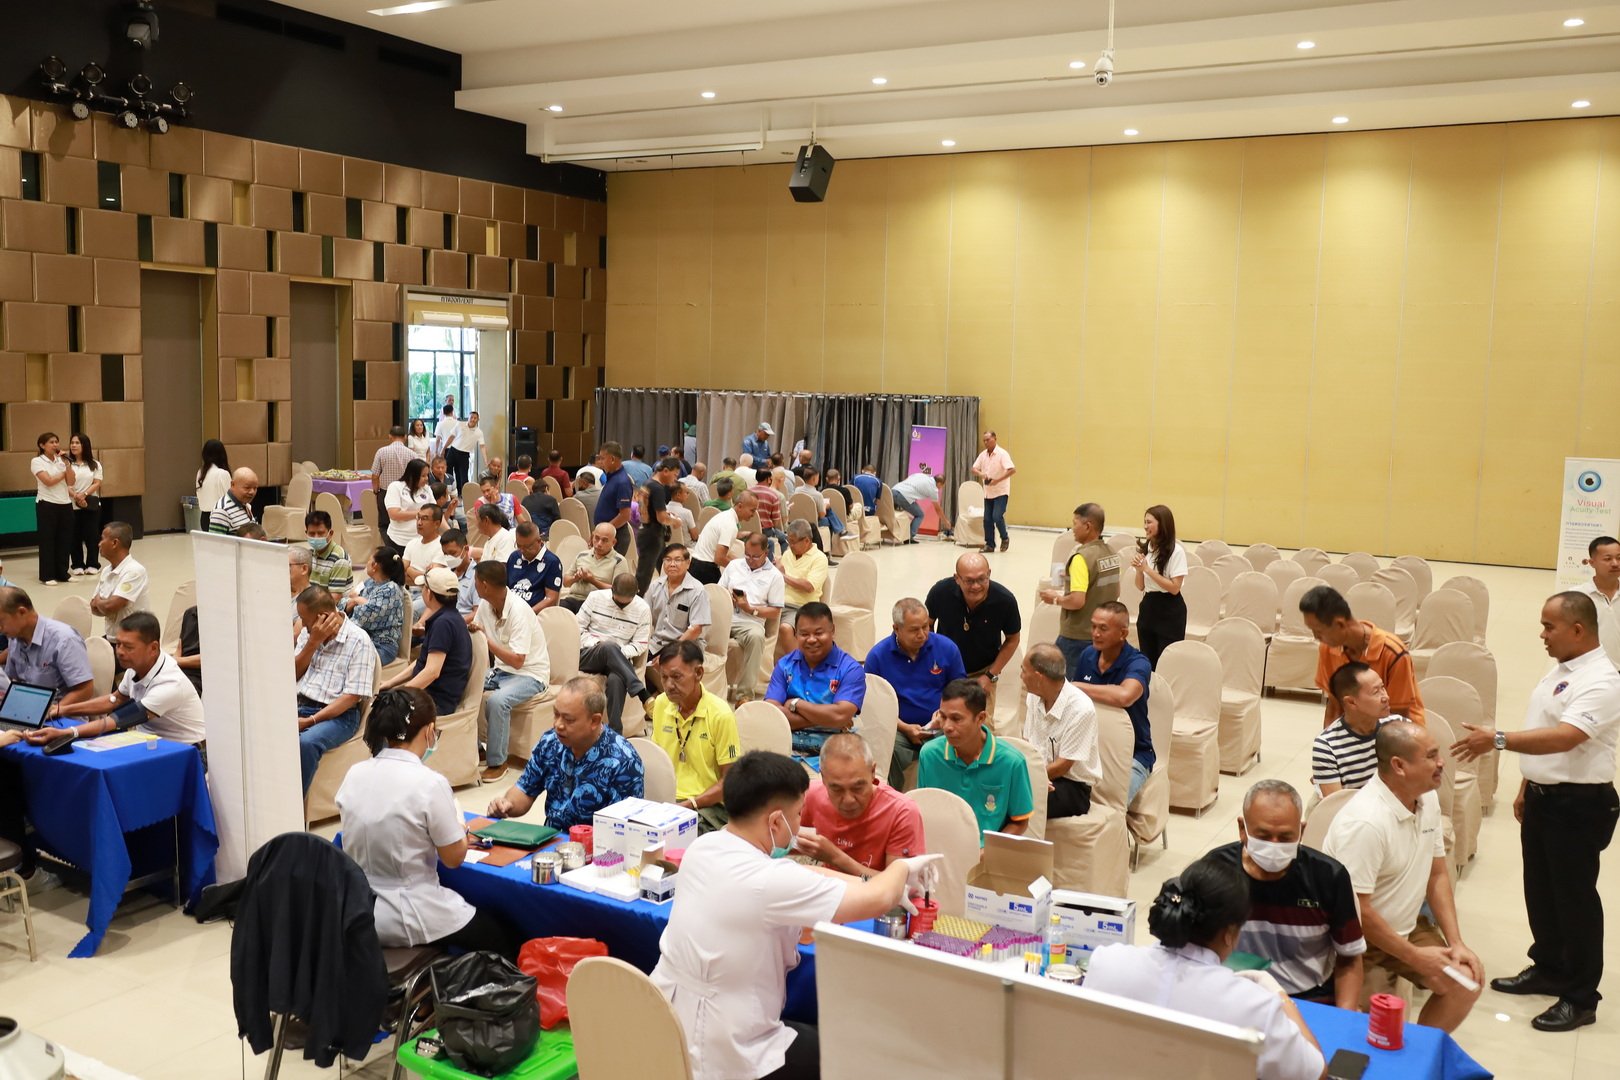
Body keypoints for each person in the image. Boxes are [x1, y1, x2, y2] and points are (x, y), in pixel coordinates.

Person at [651, 749, 938, 1080]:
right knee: (849, 1055)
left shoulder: (704, 847)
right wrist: (902, 869)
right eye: (799, 814)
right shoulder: (771, 881)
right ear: (776, 821)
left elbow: (807, 877)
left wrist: (868, 880)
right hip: (725, 1050)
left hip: (665, 1023)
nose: (801, 825)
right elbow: (878, 899)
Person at [1451, 591, 1620, 1032]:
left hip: (1578, 804)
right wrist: (1528, 784)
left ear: (1577, 630)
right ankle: (1549, 967)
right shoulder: (1562, 668)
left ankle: (1580, 997)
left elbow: (1566, 737)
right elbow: (1543, 727)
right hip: (1547, 797)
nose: (1542, 635)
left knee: (1575, 901)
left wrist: (1497, 739)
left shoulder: (1603, 680)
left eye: (1549, 626)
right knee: (1541, 892)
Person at [1085, 858, 1327, 1080]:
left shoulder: (1107, 962)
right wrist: (1281, 997)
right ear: (1230, 934)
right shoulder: (1256, 1007)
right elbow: (1314, 1073)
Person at [1322, 721, 1483, 1032]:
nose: (1442, 763)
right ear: (1399, 766)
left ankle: (1420, 1051)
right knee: (1378, 1032)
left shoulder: (1427, 797)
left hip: (1407, 926)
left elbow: (1437, 874)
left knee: (1467, 982)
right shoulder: (1366, 823)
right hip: (1360, 943)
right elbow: (1359, 911)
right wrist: (1415, 957)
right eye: (1431, 756)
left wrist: (1456, 942)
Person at [337, 687, 517, 955]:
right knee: (502, 937)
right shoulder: (429, 783)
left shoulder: (355, 773)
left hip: (360, 910)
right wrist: (460, 828)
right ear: (430, 730)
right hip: (409, 910)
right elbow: (453, 859)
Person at [1206, 780, 1366, 1009]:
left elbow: (1349, 959)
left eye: (1285, 838)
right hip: (1234, 996)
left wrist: (1342, 1019)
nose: (1274, 845)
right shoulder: (1214, 871)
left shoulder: (1329, 878)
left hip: (1309, 999)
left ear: (1302, 831)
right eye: (1263, 836)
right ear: (1242, 829)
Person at [26, 612, 206, 748]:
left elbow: (117, 720)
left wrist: (66, 733)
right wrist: (60, 709)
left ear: (153, 648)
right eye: (118, 644)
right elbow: (115, 699)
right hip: (150, 741)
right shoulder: (136, 666)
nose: (119, 652)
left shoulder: (170, 684)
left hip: (186, 749)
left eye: (128, 647)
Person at [486, 676, 644, 828]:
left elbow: (622, 831)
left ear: (594, 721)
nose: (558, 725)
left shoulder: (623, 762)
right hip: (551, 840)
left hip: (595, 843)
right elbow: (525, 790)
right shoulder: (550, 742)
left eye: (568, 720)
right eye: (556, 714)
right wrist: (506, 804)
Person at [863, 598, 965, 788]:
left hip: (940, 724)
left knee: (961, 736)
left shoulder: (946, 648)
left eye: (925, 627)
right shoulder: (877, 656)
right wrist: (905, 728)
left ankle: (949, 795)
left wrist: (943, 715)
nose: (922, 634)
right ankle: (893, 795)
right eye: (914, 630)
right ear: (896, 629)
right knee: (880, 744)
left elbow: (960, 691)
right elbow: (873, 708)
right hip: (898, 729)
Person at [917, 678, 1032, 839]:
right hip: (939, 847)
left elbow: (1020, 821)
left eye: (956, 719)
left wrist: (989, 849)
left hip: (986, 851)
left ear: (980, 718)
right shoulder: (929, 755)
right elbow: (922, 811)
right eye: (942, 717)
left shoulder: (1012, 762)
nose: (947, 727)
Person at [292, 585, 379, 793]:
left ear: (322, 617)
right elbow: (292, 675)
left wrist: (311, 721)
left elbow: (351, 697)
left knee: (306, 743)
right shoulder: (308, 635)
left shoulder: (359, 640)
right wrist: (313, 643)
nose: (302, 625)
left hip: (339, 716)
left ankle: (293, 804)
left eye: (304, 620)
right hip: (300, 704)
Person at [798, 733, 926, 872]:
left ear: (872, 772)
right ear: (823, 777)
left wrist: (836, 858)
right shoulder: (811, 796)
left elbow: (898, 884)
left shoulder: (901, 812)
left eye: (857, 788)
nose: (848, 800)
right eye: (837, 789)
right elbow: (785, 846)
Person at [1301, 584, 1425, 727]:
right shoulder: (1327, 649)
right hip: (1357, 728)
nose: (1315, 637)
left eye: (1318, 631)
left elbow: (1398, 716)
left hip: (1399, 731)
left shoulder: (1394, 653)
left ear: (1339, 624)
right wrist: (1327, 739)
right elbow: (1334, 705)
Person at [650, 639, 740, 833]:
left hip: (707, 806)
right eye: (664, 677)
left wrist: (690, 804)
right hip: (667, 802)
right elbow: (657, 762)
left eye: (676, 677)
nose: (669, 685)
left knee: (677, 836)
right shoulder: (661, 704)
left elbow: (731, 781)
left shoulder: (721, 714)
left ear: (698, 673)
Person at [471, 560, 549, 781]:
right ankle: (477, 749)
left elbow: (517, 661)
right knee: (463, 686)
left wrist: (485, 639)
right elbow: (477, 636)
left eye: (476, 581)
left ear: (484, 585)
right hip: (501, 670)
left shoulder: (519, 610)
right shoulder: (485, 605)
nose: (474, 585)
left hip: (530, 675)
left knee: (498, 701)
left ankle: (498, 762)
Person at [1074, 602, 1156, 806]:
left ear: (1123, 633)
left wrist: (1076, 686)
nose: (1095, 633)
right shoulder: (1087, 655)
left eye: (1103, 628)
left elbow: (1125, 696)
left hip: (1134, 755)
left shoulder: (1138, 662)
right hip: (1090, 749)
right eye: (1093, 626)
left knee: (1111, 808)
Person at [765, 602, 865, 760]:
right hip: (785, 751)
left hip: (833, 755)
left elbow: (840, 716)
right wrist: (828, 720)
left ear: (833, 631)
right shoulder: (785, 665)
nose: (811, 640)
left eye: (819, 633)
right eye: (804, 634)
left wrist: (796, 704)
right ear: (796, 635)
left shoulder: (850, 669)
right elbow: (772, 715)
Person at [925, 552, 1021, 715]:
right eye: (969, 581)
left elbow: (1013, 639)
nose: (976, 586)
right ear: (957, 578)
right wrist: (933, 656)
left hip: (982, 672)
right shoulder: (940, 592)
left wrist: (990, 675)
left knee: (982, 725)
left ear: (989, 574)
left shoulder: (1005, 601)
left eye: (982, 579)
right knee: (939, 719)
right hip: (945, 668)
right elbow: (927, 624)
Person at [1020, 642, 1100, 819]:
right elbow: (1027, 744)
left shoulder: (1081, 709)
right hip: (1039, 773)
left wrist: (1034, 778)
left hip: (1072, 787)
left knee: (1022, 800)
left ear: (1039, 677)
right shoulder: (1033, 696)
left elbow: (1064, 765)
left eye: (1024, 671)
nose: (1021, 676)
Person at [1040, 503, 1120, 678]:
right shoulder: (1111, 553)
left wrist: (1054, 599)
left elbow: (1077, 601)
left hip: (1078, 636)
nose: (1072, 529)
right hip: (1104, 634)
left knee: (1066, 685)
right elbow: (1114, 590)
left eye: (1075, 523)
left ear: (1087, 526)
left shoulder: (1081, 558)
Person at [382, 567, 473, 722]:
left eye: (424, 587)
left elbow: (432, 672)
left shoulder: (444, 624)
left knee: (383, 713)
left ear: (429, 594)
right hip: (427, 694)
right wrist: (390, 684)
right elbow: (422, 662)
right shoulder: (448, 617)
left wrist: (400, 695)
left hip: (435, 702)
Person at [576, 572, 653, 732]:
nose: (621, 607)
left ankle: (615, 730)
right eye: (618, 602)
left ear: (636, 593)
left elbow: (640, 644)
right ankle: (641, 692)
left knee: (617, 678)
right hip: (590, 654)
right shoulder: (595, 598)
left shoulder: (643, 609)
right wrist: (597, 644)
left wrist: (618, 652)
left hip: (618, 657)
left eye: (626, 603)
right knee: (608, 647)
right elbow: (577, 628)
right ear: (611, 590)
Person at [1313, 662, 1401, 795]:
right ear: (1351, 702)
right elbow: (1336, 803)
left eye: (1383, 687)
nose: (1386, 697)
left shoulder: (1398, 726)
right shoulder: (1327, 746)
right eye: (1376, 692)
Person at [1, 586, 95, 711]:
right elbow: (13, 681)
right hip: (27, 710)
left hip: (60, 715)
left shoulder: (64, 640)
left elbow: (85, 689)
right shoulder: (14, 637)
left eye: (0, 622)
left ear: (21, 612)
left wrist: (53, 711)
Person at [723, 533, 785, 702]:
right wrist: (728, 598)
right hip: (726, 617)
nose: (750, 560)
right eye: (747, 555)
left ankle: (744, 695)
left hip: (751, 622)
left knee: (756, 637)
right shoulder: (734, 565)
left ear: (766, 553)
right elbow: (719, 591)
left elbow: (775, 611)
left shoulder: (774, 576)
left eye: (755, 557)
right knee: (697, 627)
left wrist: (751, 609)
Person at [645, 543, 712, 690]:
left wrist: (670, 652)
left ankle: (663, 696)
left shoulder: (697, 590)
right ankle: (652, 697)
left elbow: (696, 629)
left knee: (668, 666)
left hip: (686, 645)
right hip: (657, 642)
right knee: (633, 662)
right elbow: (643, 615)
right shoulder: (655, 586)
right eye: (668, 560)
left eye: (677, 560)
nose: (672, 564)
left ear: (688, 563)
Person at [1132, 504, 1189, 666]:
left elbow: (1174, 588)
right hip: (1148, 607)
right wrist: (1139, 571)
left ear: (1162, 524)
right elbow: (1140, 586)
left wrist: (1147, 570)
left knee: (1168, 662)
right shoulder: (1145, 549)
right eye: (1144, 522)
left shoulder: (1176, 551)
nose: (1145, 526)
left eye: (1149, 522)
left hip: (1170, 610)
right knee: (1147, 660)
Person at [774, 520, 829, 659]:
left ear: (806, 541)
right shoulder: (788, 554)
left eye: (793, 542)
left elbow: (808, 586)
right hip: (779, 603)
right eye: (789, 541)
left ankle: (797, 667)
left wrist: (782, 576)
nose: (790, 545)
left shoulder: (819, 558)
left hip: (801, 607)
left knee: (785, 628)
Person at [342, 547, 406, 664]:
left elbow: (365, 617)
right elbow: (345, 601)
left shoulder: (391, 590)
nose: (367, 563)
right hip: (361, 640)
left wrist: (356, 601)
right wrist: (358, 601)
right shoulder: (370, 582)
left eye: (368, 560)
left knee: (345, 661)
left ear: (374, 565)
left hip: (381, 645)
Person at [88, 522, 150, 639]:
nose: (99, 544)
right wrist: (105, 605)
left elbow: (111, 606)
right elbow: (92, 607)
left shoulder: (134, 571)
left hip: (133, 641)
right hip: (112, 638)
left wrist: (100, 603)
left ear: (115, 543)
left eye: (102, 539)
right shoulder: (106, 571)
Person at [31, 431, 75, 585]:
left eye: (57, 441)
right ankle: (47, 575)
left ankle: (62, 573)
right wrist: (64, 472)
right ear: (42, 445)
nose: (55, 445)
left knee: (65, 540)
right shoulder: (37, 461)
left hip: (65, 503)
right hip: (47, 504)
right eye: (51, 442)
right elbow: (48, 481)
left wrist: (67, 464)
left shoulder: (62, 461)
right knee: (47, 540)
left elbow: (71, 481)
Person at [690, 491, 760, 584]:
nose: (753, 514)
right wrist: (741, 570)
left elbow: (724, 552)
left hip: (696, 564)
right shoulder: (730, 524)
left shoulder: (724, 516)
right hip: (705, 570)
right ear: (740, 506)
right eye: (752, 510)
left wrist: (741, 564)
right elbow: (719, 558)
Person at [636, 458, 682, 594]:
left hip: (646, 530)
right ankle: (636, 600)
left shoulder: (648, 483)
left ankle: (668, 593)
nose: (675, 479)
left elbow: (652, 509)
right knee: (644, 575)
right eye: (675, 474)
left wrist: (667, 514)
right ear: (666, 471)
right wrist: (675, 521)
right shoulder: (658, 488)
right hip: (652, 534)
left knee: (663, 566)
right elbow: (661, 518)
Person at [562, 523, 629, 613]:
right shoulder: (582, 555)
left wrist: (593, 580)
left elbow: (618, 592)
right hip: (573, 598)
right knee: (556, 613)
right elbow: (565, 582)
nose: (599, 544)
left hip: (599, 604)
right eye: (596, 538)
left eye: (604, 540)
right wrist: (576, 578)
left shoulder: (619, 561)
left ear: (613, 542)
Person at [970, 430, 1016, 553]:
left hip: (1001, 491)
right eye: (984, 440)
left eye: (988, 440)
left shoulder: (1002, 454)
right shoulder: (983, 455)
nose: (986, 442)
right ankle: (990, 544)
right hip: (988, 492)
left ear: (995, 439)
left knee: (997, 516)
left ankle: (1004, 537)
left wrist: (997, 480)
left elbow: (1012, 470)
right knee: (987, 519)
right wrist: (981, 474)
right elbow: (974, 469)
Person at [1579, 535, 1620, 667]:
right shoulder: (1578, 596)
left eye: (1619, 558)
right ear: (1592, 563)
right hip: (1593, 671)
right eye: (1607, 559)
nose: (1615, 563)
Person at [66, 433, 103, 578]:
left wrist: (84, 495)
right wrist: (75, 495)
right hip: (72, 504)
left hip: (90, 504)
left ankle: (93, 564)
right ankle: (77, 565)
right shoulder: (67, 464)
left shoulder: (95, 464)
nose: (73, 445)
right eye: (72, 443)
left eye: (77, 443)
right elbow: (65, 484)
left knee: (92, 536)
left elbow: (97, 483)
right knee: (74, 536)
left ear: (84, 445)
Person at [506, 522, 563, 613]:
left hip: (532, 613)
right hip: (509, 609)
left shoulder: (552, 562)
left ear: (539, 541)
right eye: (519, 546)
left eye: (527, 547)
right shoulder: (514, 556)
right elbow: (505, 588)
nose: (522, 550)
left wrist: (528, 614)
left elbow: (551, 599)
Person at [382, 458, 431, 555]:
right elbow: (394, 514)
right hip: (399, 541)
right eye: (423, 476)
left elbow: (434, 512)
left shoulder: (427, 489)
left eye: (427, 475)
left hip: (422, 540)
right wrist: (422, 513)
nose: (426, 478)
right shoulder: (395, 487)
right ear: (412, 476)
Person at [593, 441, 635, 554]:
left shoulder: (622, 482)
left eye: (602, 458)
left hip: (615, 537)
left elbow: (625, 515)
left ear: (612, 459)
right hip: (605, 536)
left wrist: (603, 532)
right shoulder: (612, 477)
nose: (600, 462)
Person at [403, 503, 449, 591]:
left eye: (424, 519)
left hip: (428, 594)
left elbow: (431, 581)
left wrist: (409, 570)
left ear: (436, 524)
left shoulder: (442, 547)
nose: (419, 523)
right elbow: (400, 574)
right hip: (407, 592)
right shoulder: (412, 543)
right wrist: (420, 576)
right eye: (418, 518)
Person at [889, 467, 943, 543]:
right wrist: (945, 521)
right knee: (920, 515)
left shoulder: (920, 475)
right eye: (942, 486)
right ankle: (909, 537)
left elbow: (906, 479)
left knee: (891, 512)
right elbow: (938, 509)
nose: (941, 488)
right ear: (939, 483)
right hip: (903, 496)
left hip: (892, 491)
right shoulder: (934, 489)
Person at [305, 511, 354, 593]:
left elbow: (335, 597)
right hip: (314, 598)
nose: (316, 537)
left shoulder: (340, 559)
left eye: (320, 533)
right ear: (306, 533)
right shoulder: (309, 555)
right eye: (312, 534)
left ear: (330, 533)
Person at [207, 467, 260, 536]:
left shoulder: (244, 503)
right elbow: (215, 541)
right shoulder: (222, 511)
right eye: (247, 488)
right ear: (232, 484)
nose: (252, 492)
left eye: (255, 488)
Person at [749, 469, 788, 558]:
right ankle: (781, 561)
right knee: (784, 539)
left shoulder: (747, 492)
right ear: (768, 479)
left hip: (749, 529)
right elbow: (776, 522)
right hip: (766, 531)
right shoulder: (773, 495)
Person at [195, 439, 231, 532]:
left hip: (204, 518)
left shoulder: (200, 472)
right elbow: (229, 500)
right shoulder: (222, 473)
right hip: (220, 518)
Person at [370, 426, 417, 492]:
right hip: (405, 491)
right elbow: (416, 475)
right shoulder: (413, 454)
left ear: (390, 436)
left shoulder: (381, 451)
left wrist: (376, 490)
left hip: (386, 491)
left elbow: (375, 476)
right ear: (405, 437)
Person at [448, 410, 486, 489]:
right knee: (448, 473)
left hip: (464, 454)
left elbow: (482, 446)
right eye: (471, 417)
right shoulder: (459, 424)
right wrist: (443, 449)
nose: (473, 419)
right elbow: (451, 437)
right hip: (453, 450)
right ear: (468, 418)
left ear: (478, 420)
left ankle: (463, 493)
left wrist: (486, 460)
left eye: (475, 418)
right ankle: (449, 492)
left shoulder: (479, 432)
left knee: (463, 476)